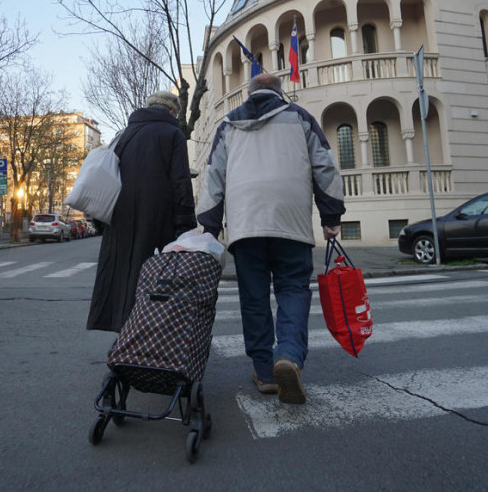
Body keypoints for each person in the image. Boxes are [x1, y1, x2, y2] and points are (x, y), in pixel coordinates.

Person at [196, 72, 345, 404]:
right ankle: (288, 355)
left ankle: (264, 372)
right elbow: (325, 167)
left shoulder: (228, 126)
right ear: (281, 93)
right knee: (292, 288)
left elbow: (214, 177)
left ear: (248, 94)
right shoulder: (300, 118)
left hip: (245, 222)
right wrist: (330, 216)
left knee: (254, 296)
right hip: (290, 220)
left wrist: (209, 226)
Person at [87, 91, 197, 333]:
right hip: (158, 221)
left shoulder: (123, 135)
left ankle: (121, 342)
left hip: (119, 220)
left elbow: (104, 178)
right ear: (172, 111)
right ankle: (143, 343)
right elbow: (181, 182)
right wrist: (186, 225)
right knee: (153, 283)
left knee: (121, 283)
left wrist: (99, 219)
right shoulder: (173, 134)